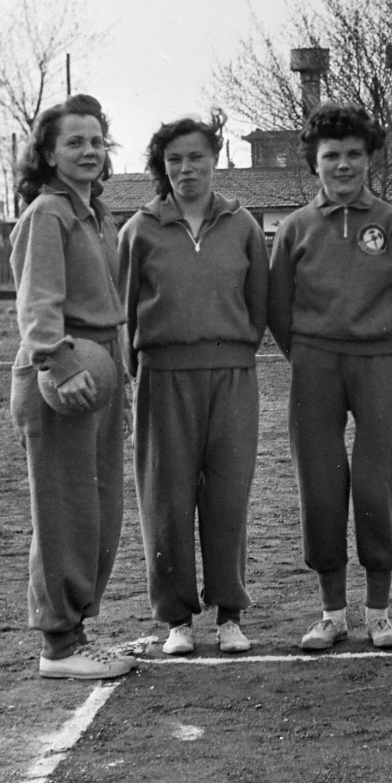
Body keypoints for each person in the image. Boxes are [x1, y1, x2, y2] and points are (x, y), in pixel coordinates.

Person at [267, 102, 392, 652]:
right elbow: (278, 308)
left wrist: (382, 346)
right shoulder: (295, 228)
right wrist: (309, 353)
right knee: (320, 484)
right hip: (315, 363)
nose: (343, 165)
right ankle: (332, 614)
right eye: (331, 155)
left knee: (372, 482)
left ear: (369, 159)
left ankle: (378, 613)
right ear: (314, 162)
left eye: (354, 154)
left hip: (380, 363)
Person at [118, 110, 269, 656]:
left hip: (231, 376)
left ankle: (230, 614)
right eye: (175, 160)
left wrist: (234, 350)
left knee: (228, 494)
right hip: (163, 378)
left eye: (197, 157)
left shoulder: (243, 225)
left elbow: (259, 305)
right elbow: (124, 314)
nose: (186, 169)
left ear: (215, 159)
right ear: (162, 166)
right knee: (167, 498)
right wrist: (139, 375)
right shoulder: (139, 230)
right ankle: (177, 619)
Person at [9, 94, 135, 680]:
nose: (89, 151)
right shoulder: (48, 213)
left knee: (99, 510)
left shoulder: (98, 214)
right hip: (62, 375)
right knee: (64, 511)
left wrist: (119, 379)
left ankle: (76, 632)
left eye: (96, 141)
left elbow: (110, 309)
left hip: (99, 370)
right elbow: (38, 304)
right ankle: (58, 645)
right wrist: (58, 365)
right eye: (74, 142)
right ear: (49, 154)